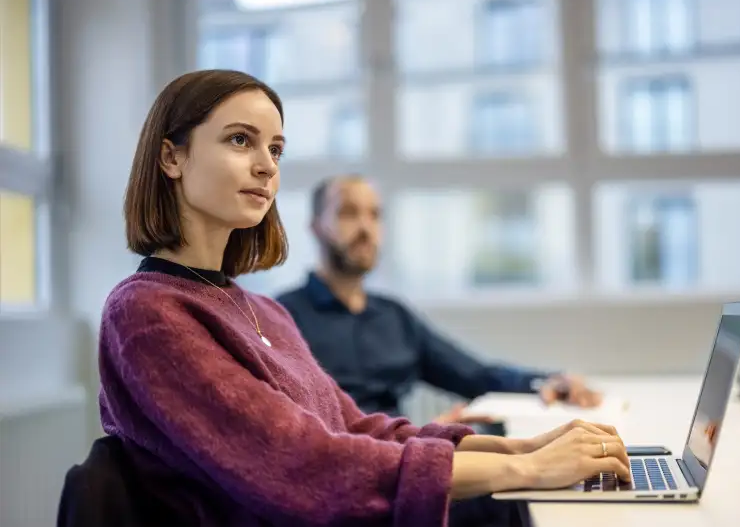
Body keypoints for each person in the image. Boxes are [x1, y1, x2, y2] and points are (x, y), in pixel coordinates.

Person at [98, 68, 630, 527]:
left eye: (276, 148)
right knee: (511, 502)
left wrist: (520, 447)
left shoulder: (260, 310)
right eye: (241, 140)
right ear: (172, 157)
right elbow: (298, 462)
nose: (266, 166)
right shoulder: (147, 312)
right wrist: (527, 470)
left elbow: (357, 427)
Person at [276, 175, 603, 424]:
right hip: (344, 485)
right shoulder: (282, 318)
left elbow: (477, 376)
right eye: (348, 213)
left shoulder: (394, 317)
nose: (365, 227)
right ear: (316, 227)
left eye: (375, 215)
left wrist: (547, 381)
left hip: (406, 471)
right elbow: (294, 431)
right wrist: (425, 435)